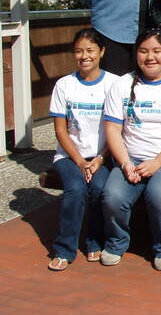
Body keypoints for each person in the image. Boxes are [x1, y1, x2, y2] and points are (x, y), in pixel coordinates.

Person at [100, 29, 161, 270]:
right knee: (112, 196)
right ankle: (116, 242)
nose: (149, 57)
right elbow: (112, 130)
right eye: (143, 51)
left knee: (160, 195)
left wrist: (156, 163)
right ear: (136, 55)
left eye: (156, 51)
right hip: (130, 156)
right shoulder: (121, 84)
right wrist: (125, 163)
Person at [47, 29, 118, 271]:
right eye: (79, 51)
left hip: (103, 156)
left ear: (101, 52)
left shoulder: (114, 84)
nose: (84, 56)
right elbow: (60, 130)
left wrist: (99, 159)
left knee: (99, 188)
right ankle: (64, 248)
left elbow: (117, 130)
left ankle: (94, 240)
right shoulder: (64, 85)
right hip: (70, 156)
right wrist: (79, 160)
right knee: (76, 189)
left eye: (90, 50)